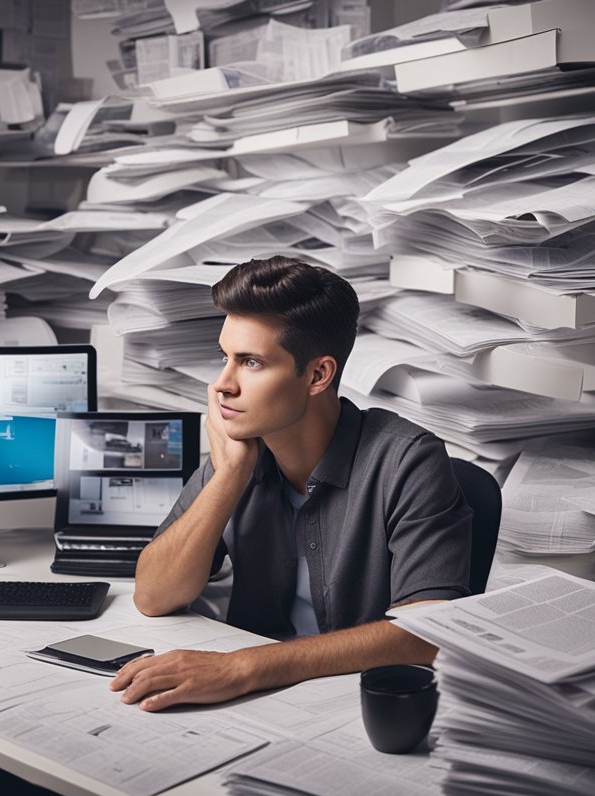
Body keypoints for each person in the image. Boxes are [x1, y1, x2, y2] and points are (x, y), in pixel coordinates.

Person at [110, 256, 472, 712]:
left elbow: (427, 634)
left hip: (349, 706)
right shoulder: (239, 451)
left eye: (252, 362)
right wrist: (229, 477)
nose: (222, 384)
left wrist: (242, 667)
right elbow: (154, 596)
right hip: (253, 705)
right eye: (225, 358)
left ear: (318, 375)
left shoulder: (407, 460)